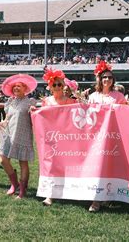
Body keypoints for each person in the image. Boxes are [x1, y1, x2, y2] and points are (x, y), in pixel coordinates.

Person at [87, 60, 126, 212]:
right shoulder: (93, 96)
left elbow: (125, 114)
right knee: (97, 167)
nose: (107, 80)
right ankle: (96, 200)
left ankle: (109, 195)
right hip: (96, 139)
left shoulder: (119, 96)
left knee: (109, 167)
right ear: (100, 79)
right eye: (104, 77)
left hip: (113, 138)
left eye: (110, 77)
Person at [0, 74, 37, 199]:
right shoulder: (10, 102)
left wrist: (34, 110)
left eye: (18, 86)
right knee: (3, 159)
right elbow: (7, 120)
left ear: (25, 88)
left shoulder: (30, 102)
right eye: (14, 87)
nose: (16, 88)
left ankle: (22, 190)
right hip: (8, 134)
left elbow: (35, 117)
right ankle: (15, 184)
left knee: (23, 163)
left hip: (22, 135)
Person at [40, 67, 77, 206]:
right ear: (50, 86)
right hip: (51, 140)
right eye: (54, 85)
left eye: (59, 84)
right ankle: (50, 195)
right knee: (51, 167)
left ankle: (67, 191)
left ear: (63, 86)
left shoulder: (70, 102)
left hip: (67, 139)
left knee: (67, 166)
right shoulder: (47, 101)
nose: (57, 87)